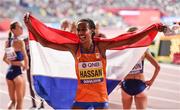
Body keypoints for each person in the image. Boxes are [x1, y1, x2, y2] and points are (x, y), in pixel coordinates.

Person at [24, 13, 166, 109]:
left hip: (100, 98)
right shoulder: (74, 48)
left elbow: (128, 40)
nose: (80, 33)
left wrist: (151, 29)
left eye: (83, 29)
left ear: (92, 31)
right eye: (78, 30)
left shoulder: (101, 46)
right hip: (82, 97)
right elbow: (45, 43)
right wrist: (30, 26)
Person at [120, 27, 160, 109]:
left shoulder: (123, 50)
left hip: (126, 84)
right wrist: (151, 81)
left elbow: (115, 67)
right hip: (140, 84)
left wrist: (118, 80)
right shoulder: (143, 50)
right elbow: (157, 67)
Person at [3, 21, 29, 109]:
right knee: (20, 102)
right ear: (13, 30)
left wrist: (13, 63)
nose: (22, 28)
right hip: (18, 73)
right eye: (19, 27)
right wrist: (25, 66)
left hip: (9, 73)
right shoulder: (20, 42)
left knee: (12, 101)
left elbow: (4, 59)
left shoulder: (8, 42)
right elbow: (25, 57)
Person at [23, 37, 44, 109]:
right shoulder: (25, 40)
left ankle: (42, 103)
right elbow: (23, 53)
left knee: (39, 83)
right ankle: (34, 103)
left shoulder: (37, 39)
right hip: (29, 64)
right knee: (30, 83)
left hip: (37, 64)